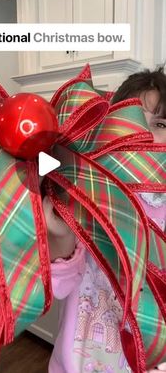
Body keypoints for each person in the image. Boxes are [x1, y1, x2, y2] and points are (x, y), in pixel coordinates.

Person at [42, 67, 166, 373]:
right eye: (131, 122)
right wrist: (58, 236)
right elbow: (57, 287)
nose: (146, 134)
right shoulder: (89, 195)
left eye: (160, 123)